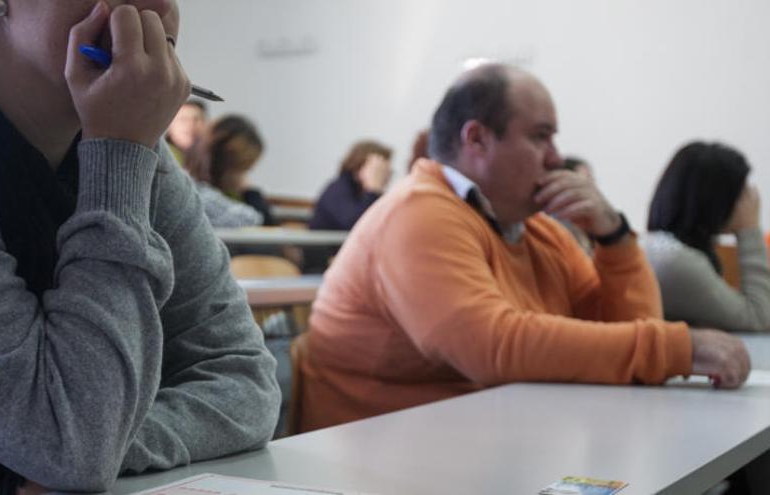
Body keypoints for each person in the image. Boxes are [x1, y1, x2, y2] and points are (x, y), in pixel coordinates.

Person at [0, 0, 280, 493]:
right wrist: (118, 154)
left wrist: (111, 444)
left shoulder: (137, 149)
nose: (150, 9)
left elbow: (245, 381)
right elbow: (71, 442)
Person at [298, 63, 750, 432]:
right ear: (476, 139)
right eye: (540, 136)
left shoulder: (536, 230)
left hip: (485, 443)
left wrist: (612, 237)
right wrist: (677, 347)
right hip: (378, 463)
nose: (556, 156)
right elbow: (493, 345)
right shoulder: (417, 213)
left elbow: (633, 330)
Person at [643, 142, 770, 332]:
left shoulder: (660, 247)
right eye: (742, 193)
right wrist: (750, 230)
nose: (749, 201)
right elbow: (759, 318)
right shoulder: (678, 262)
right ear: (718, 200)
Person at [303, 140, 392, 272]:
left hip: (351, 263)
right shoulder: (337, 189)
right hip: (323, 266)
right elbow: (357, 225)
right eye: (379, 170)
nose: (385, 176)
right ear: (361, 168)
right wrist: (372, 189)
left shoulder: (368, 194)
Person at [192, 114, 278, 227]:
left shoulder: (226, 195)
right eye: (245, 168)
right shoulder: (201, 195)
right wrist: (248, 189)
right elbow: (262, 223)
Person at [554, 155, 595, 255]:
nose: (593, 188)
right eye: (585, 182)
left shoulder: (594, 225)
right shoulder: (553, 226)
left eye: (592, 181)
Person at [166, 99, 207, 166]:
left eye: (196, 119)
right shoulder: (160, 157)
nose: (191, 125)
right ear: (169, 124)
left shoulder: (213, 158)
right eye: (183, 119)